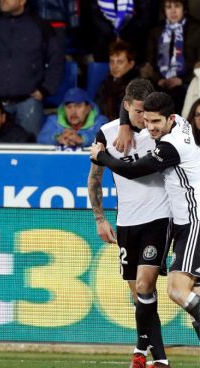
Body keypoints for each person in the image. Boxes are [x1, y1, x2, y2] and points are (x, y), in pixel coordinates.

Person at [91, 91, 200, 344]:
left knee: (177, 290)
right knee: (192, 291)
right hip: (184, 224)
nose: (150, 128)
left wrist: (101, 156)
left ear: (169, 119)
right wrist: (125, 125)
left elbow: (132, 170)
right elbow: (128, 100)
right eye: (147, 121)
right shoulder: (180, 123)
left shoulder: (172, 146)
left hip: (194, 221)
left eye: (155, 123)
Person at [88, 79, 171, 368]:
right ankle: (150, 352)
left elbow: (133, 171)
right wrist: (100, 219)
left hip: (159, 218)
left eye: (147, 111)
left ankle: (150, 354)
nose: (143, 118)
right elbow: (94, 179)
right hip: (126, 222)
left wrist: (111, 150)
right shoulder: (107, 132)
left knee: (147, 285)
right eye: (137, 112)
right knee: (139, 294)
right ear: (126, 107)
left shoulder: (162, 130)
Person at [0, 0, 64, 137]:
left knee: (30, 152)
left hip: (28, 102)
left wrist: (46, 89)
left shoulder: (40, 25)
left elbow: (56, 59)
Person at [145, 0, 200, 113]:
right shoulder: (156, 31)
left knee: (175, 98)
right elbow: (149, 62)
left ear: (184, 9)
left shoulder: (197, 30)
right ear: (164, 10)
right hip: (159, 82)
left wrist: (181, 80)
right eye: (169, 7)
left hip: (187, 82)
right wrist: (158, 79)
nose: (173, 11)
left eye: (177, 6)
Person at [37, 87, 108, 149]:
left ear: (88, 108)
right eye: (69, 107)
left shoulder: (100, 120)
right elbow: (41, 138)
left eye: (78, 106)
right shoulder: (53, 121)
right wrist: (57, 137)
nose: (73, 112)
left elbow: (105, 139)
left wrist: (82, 138)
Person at [97, 40, 140, 120]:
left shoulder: (138, 87)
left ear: (131, 64)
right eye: (112, 62)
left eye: (119, 62)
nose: (114, 66)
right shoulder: (105, 85)